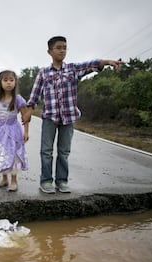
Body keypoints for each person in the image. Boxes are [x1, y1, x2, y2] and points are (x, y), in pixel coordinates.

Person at [22, 36, 123, 194]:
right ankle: (46, 181)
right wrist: (28, 112)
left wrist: (109, 62)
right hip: (50, 117)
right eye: (59, 47)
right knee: (46, 151)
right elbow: (34, 96)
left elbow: (92, 64)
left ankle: (62, 181)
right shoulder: (43, 73)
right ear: (50, 51)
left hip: (68, 118)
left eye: (65, 47)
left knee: (64, 151)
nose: (62, 50)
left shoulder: (72, 69)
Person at [0, 70, 29, 192]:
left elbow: (25, 116)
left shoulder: (18, 99)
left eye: (11, 80)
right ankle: (4, 179)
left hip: (13, 130)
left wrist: (26, 132)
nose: (9, 83)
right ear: (0, 83)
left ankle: (14, 180)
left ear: (15, 82)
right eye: (5, 80)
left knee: (14, 154)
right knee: (1, 153)